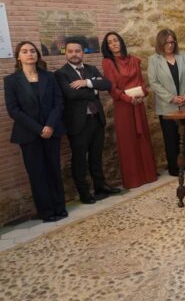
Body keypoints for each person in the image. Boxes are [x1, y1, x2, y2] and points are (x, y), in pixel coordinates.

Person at [4, 41, 67, 222]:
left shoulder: (50, 77)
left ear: (37, 55)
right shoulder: (11, 81)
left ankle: (59, 207)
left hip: (51, 130)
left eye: (33, 51)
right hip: (29, 134)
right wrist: (39, 129)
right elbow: (13, 110)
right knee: (37, 173)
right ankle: (46, 212)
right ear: (18, 56)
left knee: (54, 170)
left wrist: (49, 125)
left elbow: (58, 103)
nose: (30, 54)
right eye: (25, 51)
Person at [55, 39, 121, 204]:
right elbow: (71, 94)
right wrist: (94, 91)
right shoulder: (61, 73)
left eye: (77, 51)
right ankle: (84, 193)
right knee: (79, 160)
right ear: (66, 53)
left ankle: (100, 187)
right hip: (78, 124)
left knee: (96, 157)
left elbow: (106, 84)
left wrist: (87, 83)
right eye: (71, 51)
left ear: (82, 52)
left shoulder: (91, 69)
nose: (74, 54)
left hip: (96, 119)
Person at [101, 31, 157, 188]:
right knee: (128, 142)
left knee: (143, 137)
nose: (114, 43)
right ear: (107, 47)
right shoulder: (108, 62)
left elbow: (141, 82)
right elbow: (112, 88)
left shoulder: (133, 59)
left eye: (116, 40)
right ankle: (134, 179)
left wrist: (142, 95)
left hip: (138, 104)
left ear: (121, 42)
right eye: (110, 42)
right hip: (123, 106)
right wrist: (128, 99)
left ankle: (149, 174)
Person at [148, 28, 185, 177]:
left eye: (172, 42)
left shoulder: (183, 57)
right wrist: (171, 98)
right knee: (171, 138)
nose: (170, 45)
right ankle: (174, 166)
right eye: (167, 42)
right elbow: (154, 82)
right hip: (167, 105)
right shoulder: (154, 60)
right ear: (160, 43)